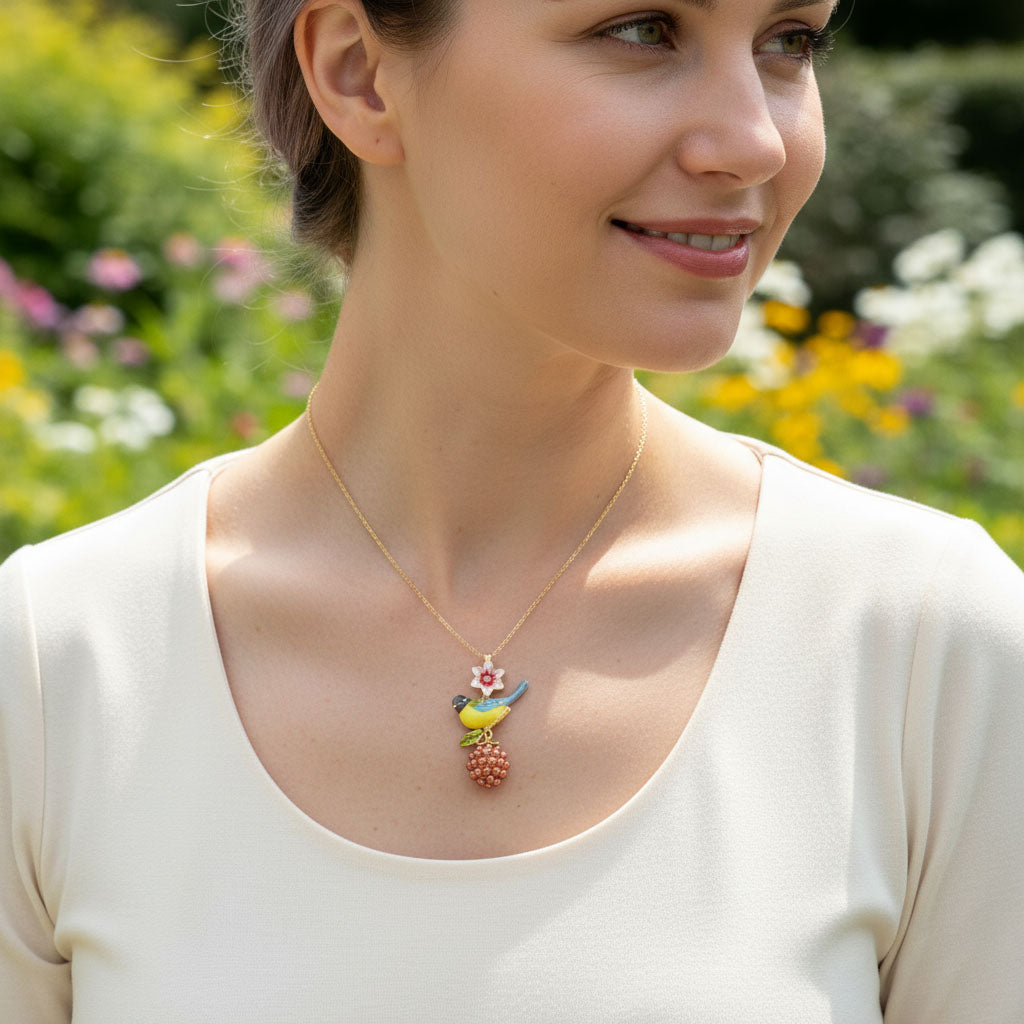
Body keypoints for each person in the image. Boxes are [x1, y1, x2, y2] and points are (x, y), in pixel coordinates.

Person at [2, 0, 1022, 1019]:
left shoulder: (924, 647)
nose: (756, 141)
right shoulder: (55, 670)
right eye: (643, 30)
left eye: (789, 42)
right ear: (359, 72)